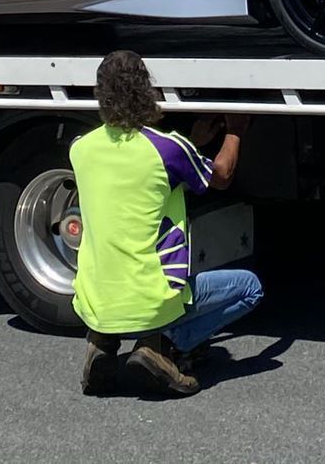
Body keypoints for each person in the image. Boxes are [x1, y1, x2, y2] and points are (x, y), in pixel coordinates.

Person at [70, 50, 264, 396]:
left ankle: (102, 342)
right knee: (251, 288)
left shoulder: (81, 149)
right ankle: (162, 345)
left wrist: (195, 144)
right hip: (153, 297)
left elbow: (132, 170)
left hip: (94, 301)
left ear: (100, 94)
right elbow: (221, 175)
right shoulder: (168, 149)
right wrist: (234, 132)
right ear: (147, 90)